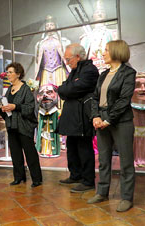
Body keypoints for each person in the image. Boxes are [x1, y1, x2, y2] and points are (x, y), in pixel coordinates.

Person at [88, 40, 136, 212]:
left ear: (117, 52)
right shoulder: (103, 74)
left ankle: (126, 198)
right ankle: (102, 192)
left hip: (121, 121)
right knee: (103, 160)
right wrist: (95, 117)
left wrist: (108, 120)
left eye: (106, 50)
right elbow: (94, 98)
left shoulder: (128, 73)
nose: (103, 53)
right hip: (101, 120)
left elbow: (124, 100)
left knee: (126, 161)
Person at [58, 43, 99, 192]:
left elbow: (73, 88)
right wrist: (67, 89)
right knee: (72, 147)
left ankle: (88, 181)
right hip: (72, 116)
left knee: (84, 148)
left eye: (69, 59)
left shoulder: (90, 70)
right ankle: (75, 175)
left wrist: (67, 89)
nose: (67, 63)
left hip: (82, 117)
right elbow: (62, 89)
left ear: (78, 56)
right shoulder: (75, 71)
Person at [0, 62, 42, 187]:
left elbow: (30, 108)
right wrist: (3, 108)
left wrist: (15, 106)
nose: (8, 74)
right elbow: (8, 104)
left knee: (30, 153)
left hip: (24, 126)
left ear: (18, 74)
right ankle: (19, 177)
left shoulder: (25, 89)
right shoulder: (9, 89)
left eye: (11, 72)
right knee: (15, 153)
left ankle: (36, 179)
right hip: (12, 125)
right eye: (7, 72)